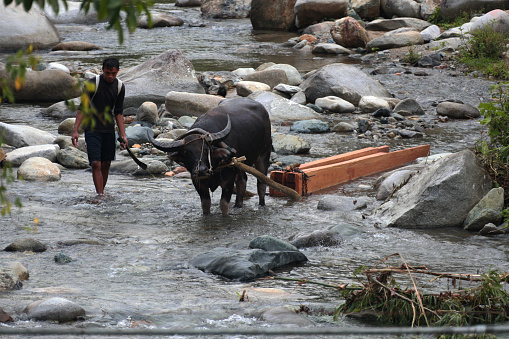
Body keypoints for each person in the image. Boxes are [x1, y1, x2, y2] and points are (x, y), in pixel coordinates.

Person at [72, 58, 128, 197]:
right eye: (108, 72)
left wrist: (123, 135)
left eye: (113, 73)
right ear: (103, 69)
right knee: (96, 163)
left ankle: (100, 193)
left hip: (109, 130)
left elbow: (119, 112)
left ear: (117, 72)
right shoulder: (92, 84)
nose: (110, 76)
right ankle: (101, 196)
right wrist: (75, 131)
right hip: (92, 129)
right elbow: (82, 108)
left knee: (106, 163)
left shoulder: (120, 86)